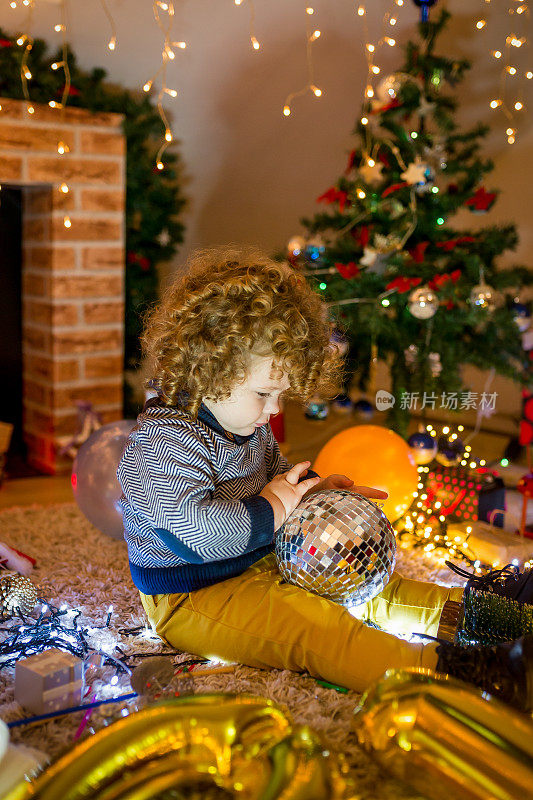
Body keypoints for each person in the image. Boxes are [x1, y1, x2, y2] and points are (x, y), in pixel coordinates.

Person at [117, 247, 533, 711]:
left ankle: (497, 619)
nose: (275, 410)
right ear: (209, 369)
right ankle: (458, 673)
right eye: (264, 393)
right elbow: (198, 529)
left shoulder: (245, 424)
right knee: (317, 626)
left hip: (264, 556)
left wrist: (316, 493)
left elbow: (275, 473)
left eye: (280, 395)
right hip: (194, 594)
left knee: (367, 583)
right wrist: (276, 508)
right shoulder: (161, 444)